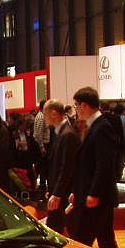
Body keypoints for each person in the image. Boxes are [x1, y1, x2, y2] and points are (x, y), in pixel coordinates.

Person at [70, 86, 122, 248]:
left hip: (96, 199)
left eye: (76, 105)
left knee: (81, 240)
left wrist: (94, 193)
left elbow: (104, 164)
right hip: (96, 197)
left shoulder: (101, 127)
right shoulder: (96, 126)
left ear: (84, 105)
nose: (76, 110)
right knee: (106, 240)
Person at [42, 100, 78, 235]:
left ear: (53, 113)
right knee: (56, 229)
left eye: (45, 114)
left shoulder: (67, 134)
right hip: (59, 194)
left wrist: (56, 193)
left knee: (65, 231)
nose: (44, 118)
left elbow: (67, 168)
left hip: (63, 195)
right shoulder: (60, 133)